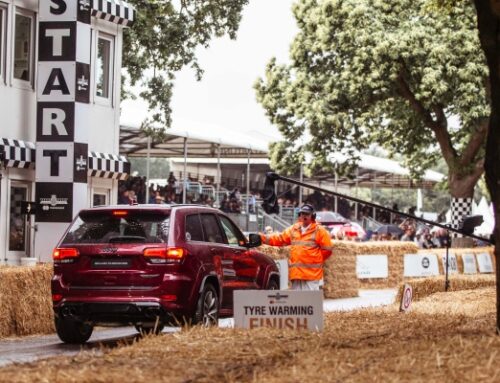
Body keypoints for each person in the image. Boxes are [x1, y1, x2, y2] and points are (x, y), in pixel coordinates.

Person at [259, 203, 333, 291]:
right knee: (297, 302)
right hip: (296, 274)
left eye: (307, 214)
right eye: (302, 214)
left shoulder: (320, 231)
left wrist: (315, 259)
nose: (304, 216)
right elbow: (280, 239)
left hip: (311, 275)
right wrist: (261, 238)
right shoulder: (294, 229)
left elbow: (327, 249)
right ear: (299, 215)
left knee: (309, 301)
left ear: (312, 216)